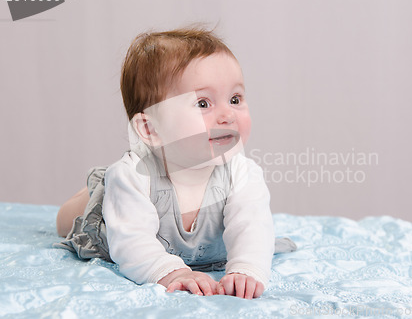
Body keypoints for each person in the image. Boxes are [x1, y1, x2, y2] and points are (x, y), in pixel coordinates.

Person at [55, 27, 295, 299]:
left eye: (235, 99)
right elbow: (133, 242)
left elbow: (253, 229)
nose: (228, 114)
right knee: (70, 217)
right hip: (116, 213)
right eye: (203, 103)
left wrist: (246, 269)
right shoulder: (134, 177)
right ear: (150, 129)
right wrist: (172, 272)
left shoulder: (243, 173)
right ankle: (97, 190)